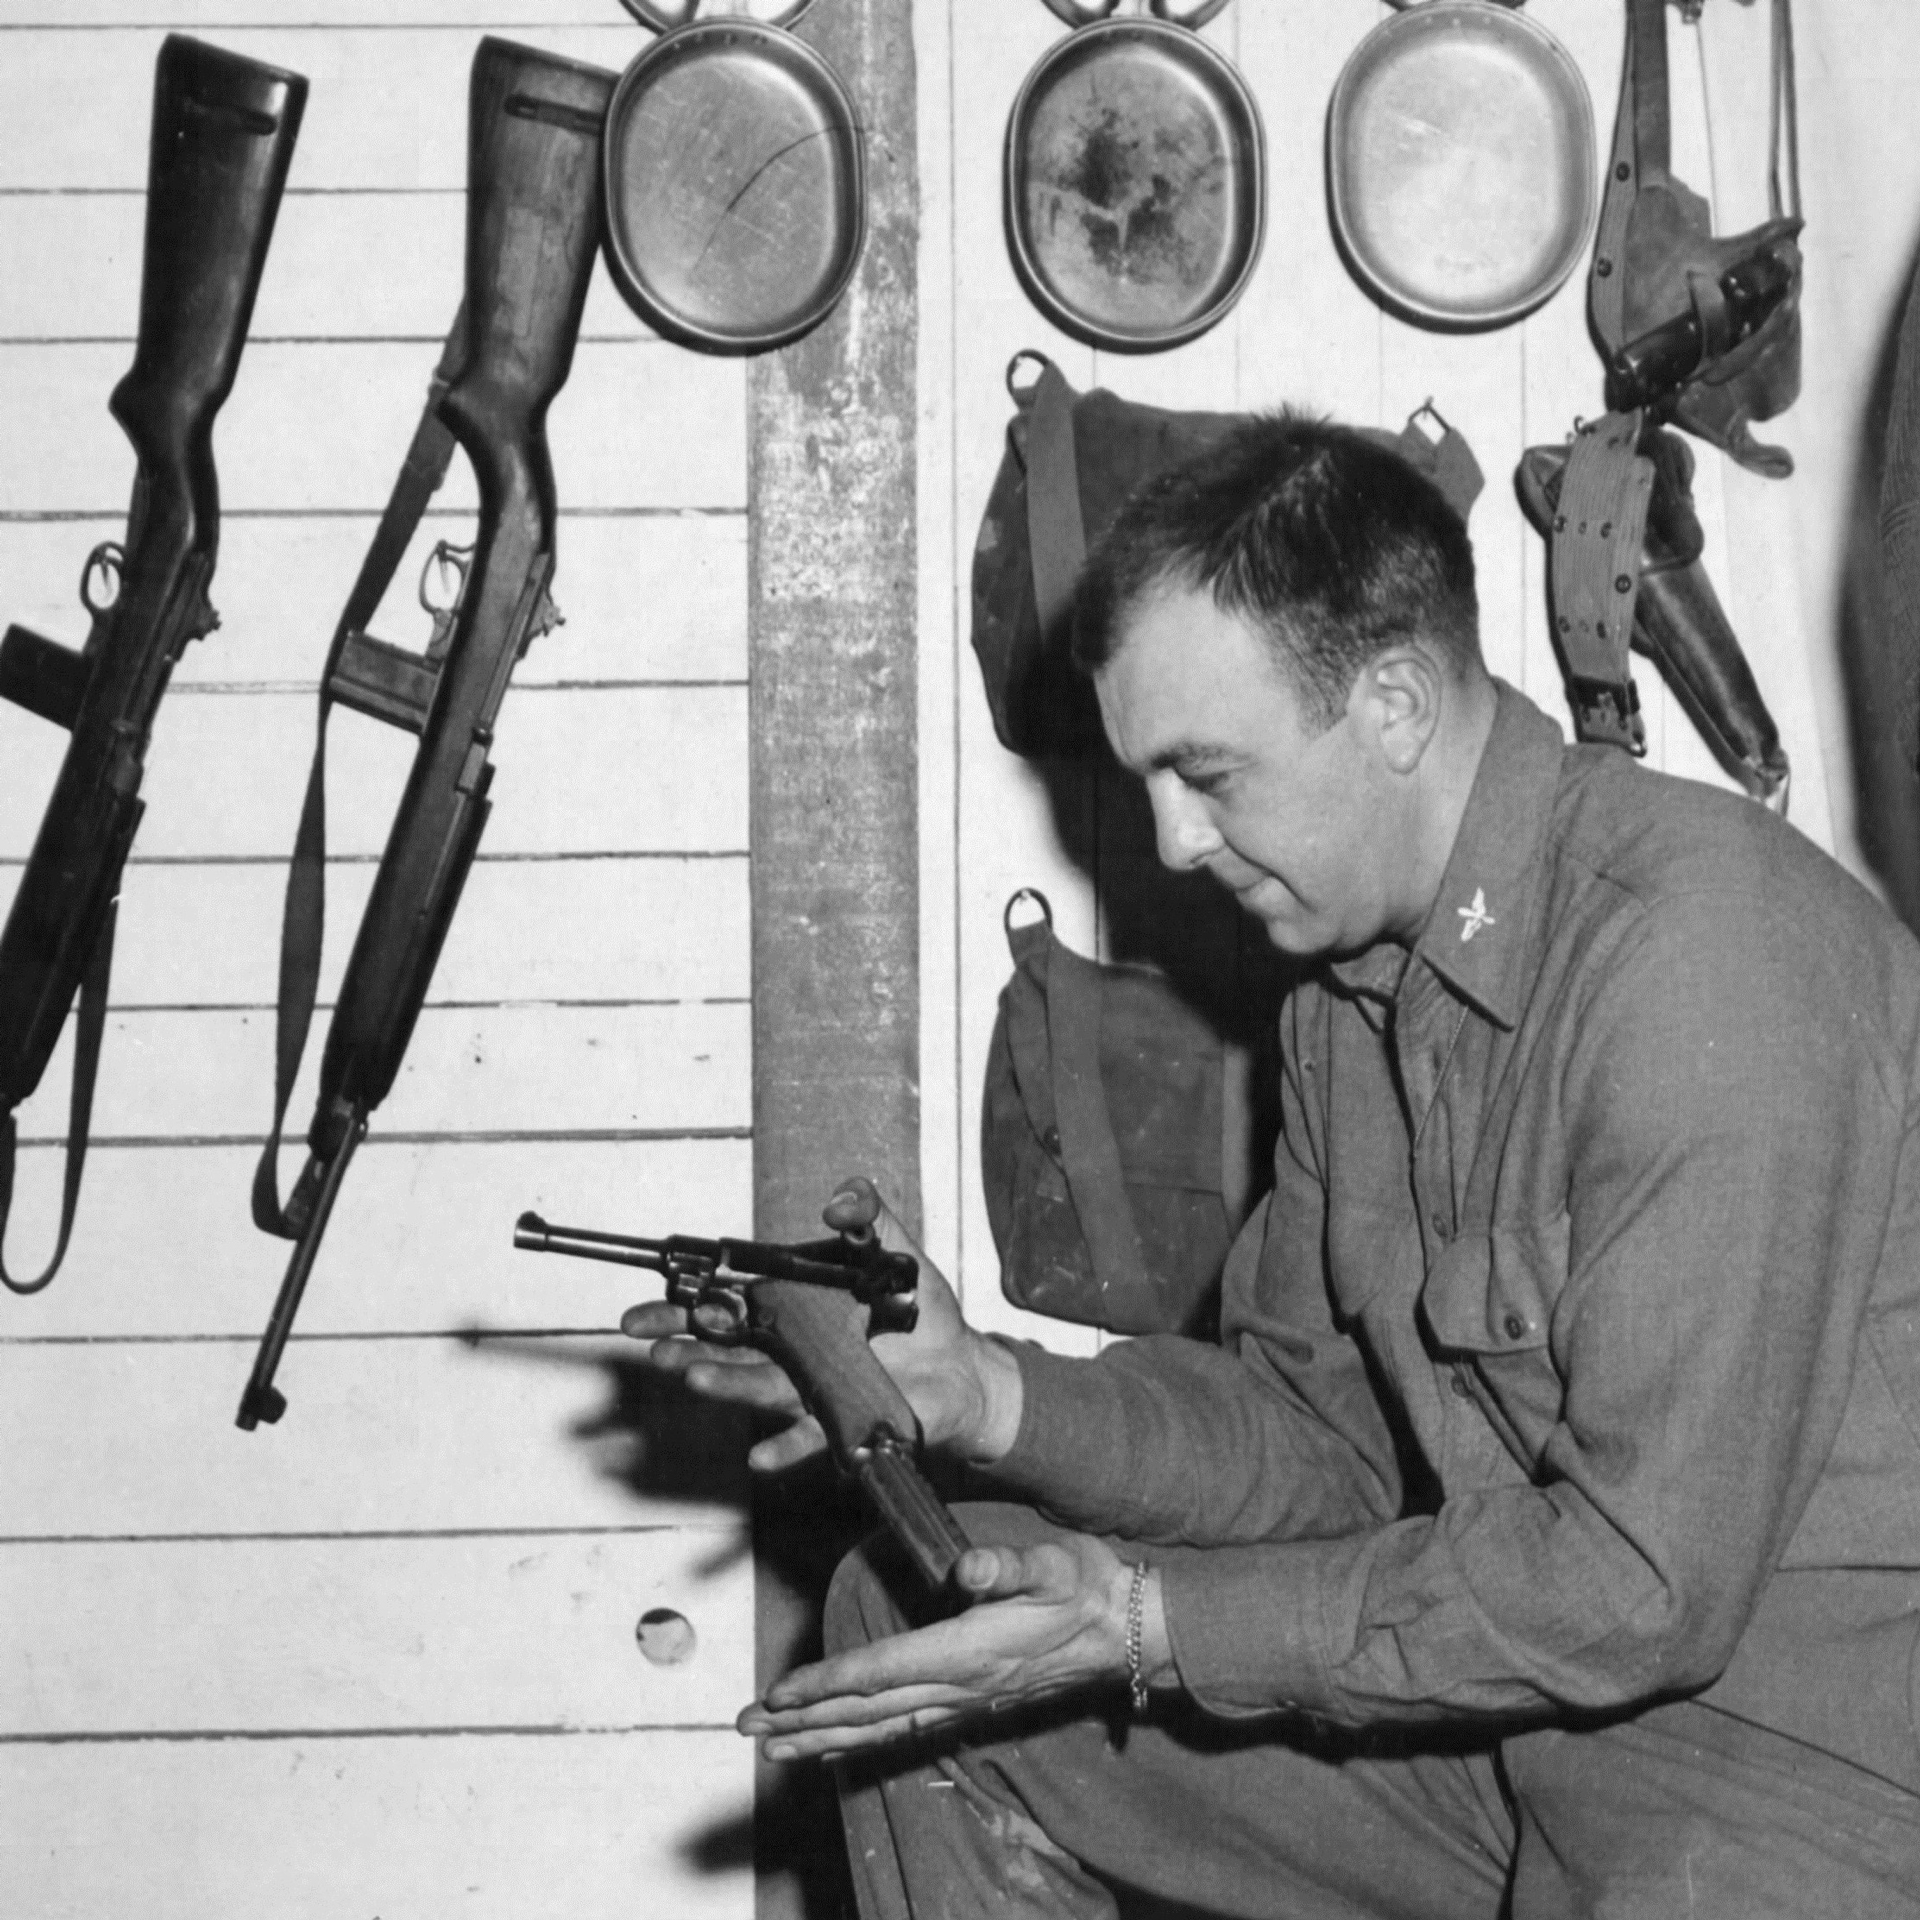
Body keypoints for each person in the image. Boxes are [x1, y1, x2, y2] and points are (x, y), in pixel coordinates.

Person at [625, 414, 1920, 1917]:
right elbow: (1321, 1445)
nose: (1172, 843)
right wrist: (989, 1394)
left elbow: (1639, 1587)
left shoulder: (1703, 955)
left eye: (1206, 774)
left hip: (1806, 1794)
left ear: (1391, 705)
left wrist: (1145, 1625)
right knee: (918, 1623)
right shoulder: (1348, 995)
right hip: (1527, 1748)